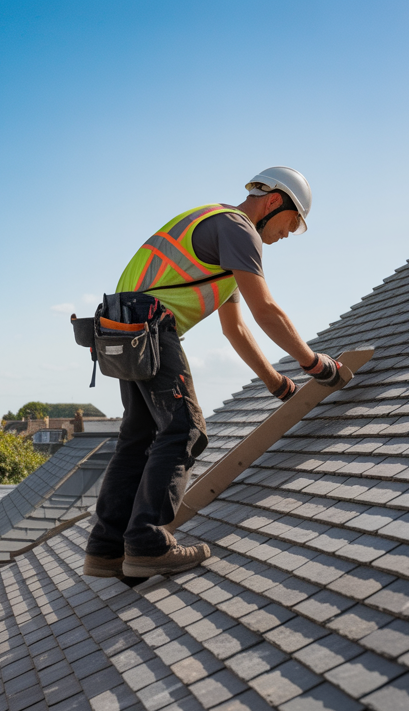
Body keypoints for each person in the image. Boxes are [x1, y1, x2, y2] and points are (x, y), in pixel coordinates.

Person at [83, 167, 342, 579]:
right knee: (184, 429)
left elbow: (235, 327)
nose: (290, 234)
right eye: (294, 223)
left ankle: (105, 549)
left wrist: (277, 383)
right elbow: (267, 312)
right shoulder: (240, 231)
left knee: (139, 436)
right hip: (150, 325)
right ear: (275, 202)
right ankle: (147, 542)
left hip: (121, 327)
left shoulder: (216, 232)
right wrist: (314, 363)